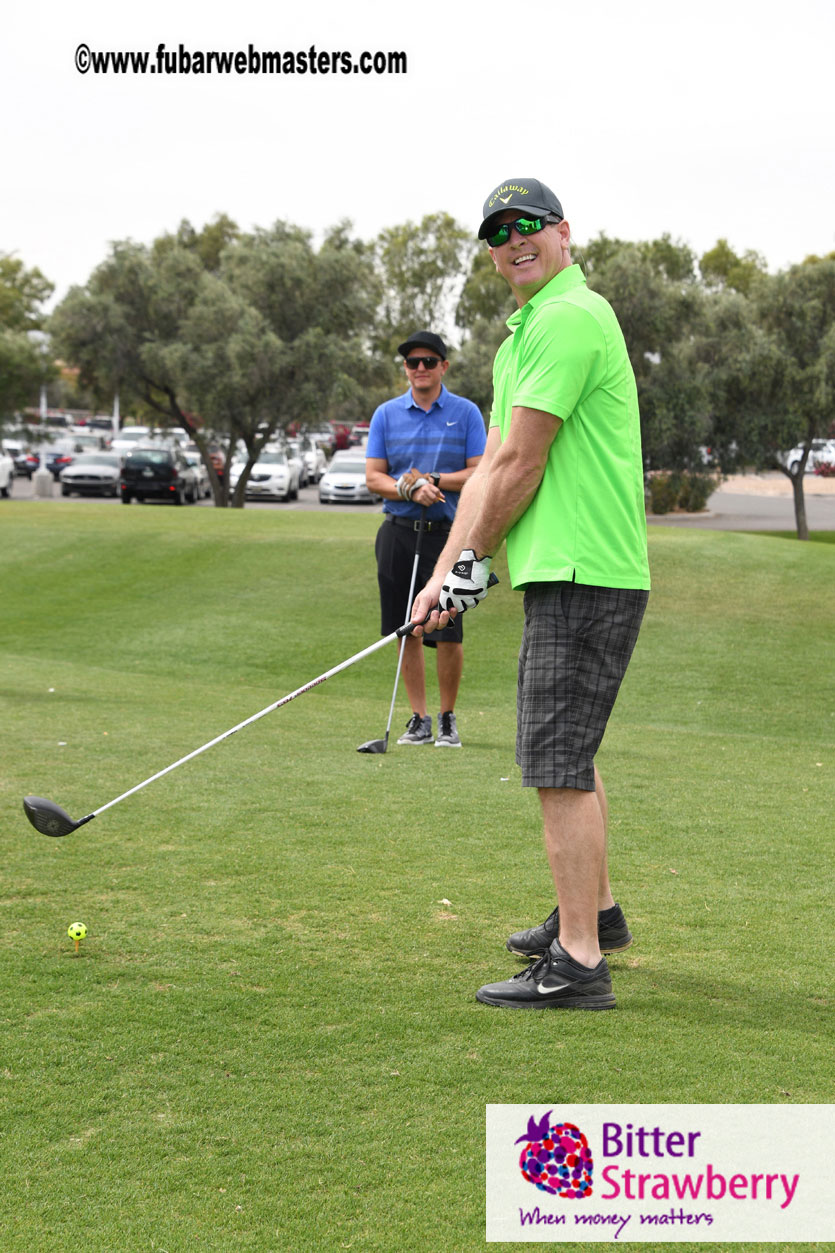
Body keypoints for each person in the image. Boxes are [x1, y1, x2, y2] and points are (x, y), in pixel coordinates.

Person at [411, 180, 651, 1008]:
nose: (513, 239)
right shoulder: (524, 335)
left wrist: (471, 567)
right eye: (497, 232)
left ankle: (578, 962)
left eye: (527, 225)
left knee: (554, 759)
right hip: (565, 569)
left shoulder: (569, 317)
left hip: (586, 568)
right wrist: (445, 573)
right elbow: (490, 473)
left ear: (562, 233)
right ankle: (597, 914)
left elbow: (524, 461)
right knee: (567, 751)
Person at [365, 331, 486, 747]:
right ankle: (419, 718)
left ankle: (447, 717)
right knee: (407, 630)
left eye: (429, 362)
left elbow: (480, 472)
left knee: (448, 628)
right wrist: (409, 489)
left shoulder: (465, 413)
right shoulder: (386, 414)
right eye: (413, 362)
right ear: (405, 368)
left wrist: (435, 480)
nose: (420, 368)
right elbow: (374, 477)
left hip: (449, 536)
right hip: (398, 532)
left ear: (443, 367)